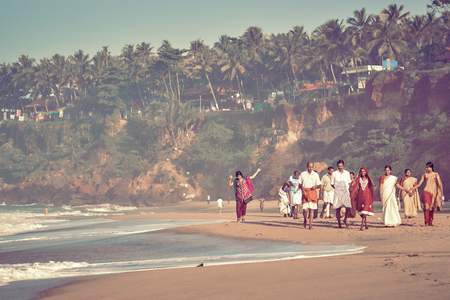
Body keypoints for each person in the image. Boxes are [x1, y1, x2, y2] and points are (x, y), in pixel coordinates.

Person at [412, 162, 444, 226]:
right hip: (426, 191)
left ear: (431, 167)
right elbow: (419, 184)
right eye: (426, 167)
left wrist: (441, 192)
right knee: (426, 207)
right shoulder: (424, 175)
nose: (426, 168)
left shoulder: (436, 174)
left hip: (434, 193)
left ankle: (430, 222)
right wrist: (412, 188)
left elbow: (440, 184)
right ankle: (426, 222)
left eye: (428, 167)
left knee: (432, 208)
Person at [299, 162, 321, 229]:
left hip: (312, 192)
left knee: (312, 209)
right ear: (307, 166)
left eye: (311, 167)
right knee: (305, 210)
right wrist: (301, 187)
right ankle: (305, 220)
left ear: (313, 167)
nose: (310, 168)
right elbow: (299, 184)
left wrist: (316, 186)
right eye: (309, 167)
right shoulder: (302, 174)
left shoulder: (315, 175)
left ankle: (310, 224)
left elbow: (319, 185)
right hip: (305, 191)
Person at [330, 160, 352, 228]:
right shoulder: (334, 174)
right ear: (337, 166)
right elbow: (332, 184)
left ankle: (345, 220)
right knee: (337, 208)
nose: (340, 167)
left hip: (345, 191)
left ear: (343, 166)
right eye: (339, 166)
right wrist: (337, 188)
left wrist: (346, 188)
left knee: (348, 207)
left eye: (341, 166)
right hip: (337, 191)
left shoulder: (347, 173)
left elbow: (349, 182)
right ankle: (339, 224)